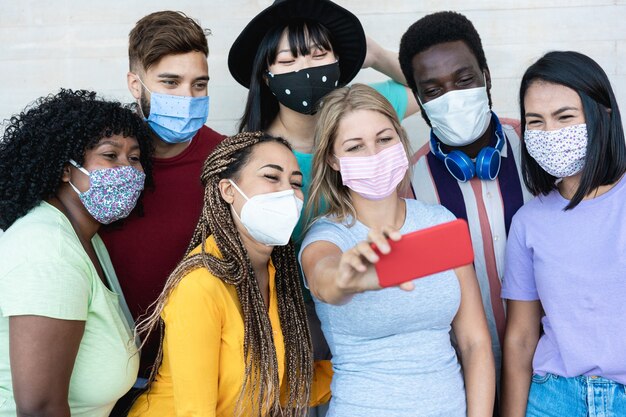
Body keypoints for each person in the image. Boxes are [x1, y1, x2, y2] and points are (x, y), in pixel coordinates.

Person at [300, 84, 495, 417]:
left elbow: (474, 342)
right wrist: (350, 279)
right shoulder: (326, 236)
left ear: (401, 139)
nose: (374, 154)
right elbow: (324, 278)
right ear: (332, 158)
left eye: (384, 139)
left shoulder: (438, 223)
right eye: (355, 146)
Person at [128, 132, 331, 417]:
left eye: (295, 183)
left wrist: (367, 366)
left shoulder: (274, 274)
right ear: (228, 190)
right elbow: (196, 412)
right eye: (272, 177)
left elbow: (278, 385)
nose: (288, 192)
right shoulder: (200, 284)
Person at [398, 11, 533, 388]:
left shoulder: (536, 146)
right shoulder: (408, 181)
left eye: (464, 79)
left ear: (486, 77)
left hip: (549, 373)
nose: (451, 97)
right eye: (434, 90)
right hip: (463, 377)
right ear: (421, 100)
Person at [0, 89, 152, 417]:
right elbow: (39, 407)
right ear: (65, 168)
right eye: (110, 156)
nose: (127, 170)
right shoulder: (48, 253)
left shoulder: (84, 235)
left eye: (135, 157)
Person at [98, 10, 224, 396]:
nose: (187, 97)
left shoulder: (227, 160)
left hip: (204, 375)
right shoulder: (101, 160)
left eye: (199, 84)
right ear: (136, 85)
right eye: (170, 82)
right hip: (113, 378)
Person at [501, 51, 626, 417]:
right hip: (553, 399)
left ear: (603, 114)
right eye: (535, 121)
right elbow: (521, 339)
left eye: (565, 116)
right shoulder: (528, 221)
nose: (550, 132)